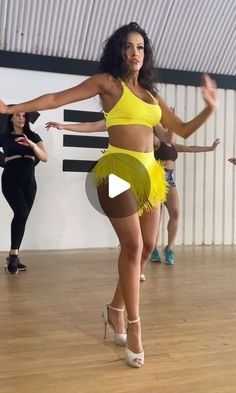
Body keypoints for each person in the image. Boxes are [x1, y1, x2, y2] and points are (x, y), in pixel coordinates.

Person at [0, 22, 217, 368]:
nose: (135, 53)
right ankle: (134, 327)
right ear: (118, 50)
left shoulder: (151, 95)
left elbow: (183, 130)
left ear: (146, 54)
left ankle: (115, 309)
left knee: (146, 247)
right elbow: (56, 98)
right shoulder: (107, 83)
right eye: (128, 46)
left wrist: (210, 107)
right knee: (132, 247)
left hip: (150, 175)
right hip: (116, 171)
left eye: (141, 47)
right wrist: (10, 109)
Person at [148, 129, 220, 267]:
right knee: (156, 217)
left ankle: (170, 249)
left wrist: (210, 148)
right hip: (155, 180)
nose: (172, 131)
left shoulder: (172, 145)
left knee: (175, 214)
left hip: (169, 179)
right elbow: (138, 146)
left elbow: (191, 148)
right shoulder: (155, 141)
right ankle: (152, 249)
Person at [0, 111, 48, 274]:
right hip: (10, 179)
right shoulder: (4, 137)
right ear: (11, 118)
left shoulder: (33, 136)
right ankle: (13, 256)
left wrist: (32, 145)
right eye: (18, 115)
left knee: (23, 216)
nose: (21, 118)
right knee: (21, 213)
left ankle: (14, 255)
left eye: (24, 116)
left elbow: (44, 157)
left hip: (29, 182)